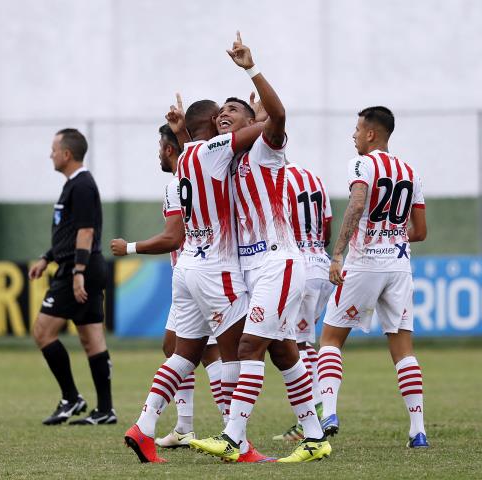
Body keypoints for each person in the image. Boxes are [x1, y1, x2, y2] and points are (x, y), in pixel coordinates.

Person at [189, 32, 331, 463]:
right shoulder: (224, 161)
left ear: (253, 122)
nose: (223, 115)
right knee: (283, 351)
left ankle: (233, 437)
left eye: (233, 110)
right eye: (221, 113)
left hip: (278, 262)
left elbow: (279, 115)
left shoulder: (265, 152)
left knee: (250, 346)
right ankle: (315, 436)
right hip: (251, 268)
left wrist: (251, 67)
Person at [123, 93, 269, 463]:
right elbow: (266, 129)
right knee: (239, 353)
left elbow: (197, 145)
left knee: (182, 356)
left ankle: (144, 426)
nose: (225, 119)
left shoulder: (186, 156)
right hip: (215, 269)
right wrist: (264, 112)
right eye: (221, 116)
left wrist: (181, 131)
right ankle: (237, 441)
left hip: (187, 266)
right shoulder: (214, 149)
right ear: (211, 125)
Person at [318, 106, 430, 448]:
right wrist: (392, 235)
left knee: (331, 340)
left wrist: (337, 254)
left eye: (357, 129)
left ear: (371, 134)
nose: (353, 135)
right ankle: (418, 430)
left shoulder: (362, 164)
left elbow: (355, 205)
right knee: (403, 349)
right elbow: (421, 231)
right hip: (398, 267)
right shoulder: (410, 172)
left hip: (364, 263)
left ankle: (329, 413)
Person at [110, 123, 225, 448]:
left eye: (161, 145)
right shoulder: (199, 179)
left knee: (213, 352)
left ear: (170, 149)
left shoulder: (178, 185)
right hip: (194, 275)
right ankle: (186, 427)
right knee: (176, 348)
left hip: (204, 274)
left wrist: (129, 247)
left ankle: (232, 429)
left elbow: (173, 237)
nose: (158, 152)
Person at [29, 128, 115, 426]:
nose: (50, 154)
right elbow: (69, 233)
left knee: (42, 331)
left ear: (66, 154)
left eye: (54, 149)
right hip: (83, 267)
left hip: (78, 270)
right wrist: (46, 257)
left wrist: (77, 272)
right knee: (92, 339)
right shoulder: (75, 185)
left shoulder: (81, 186)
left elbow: (86, 232)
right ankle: (105, 410)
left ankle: (71, 398)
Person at [273, 161, 333, 441]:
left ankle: (313, 412)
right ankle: (313, 412)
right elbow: (327, 225)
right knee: (303, 341)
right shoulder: (314, 177)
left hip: (299, 266)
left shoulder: (277, 179)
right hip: (320, 262)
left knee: (295, 344)